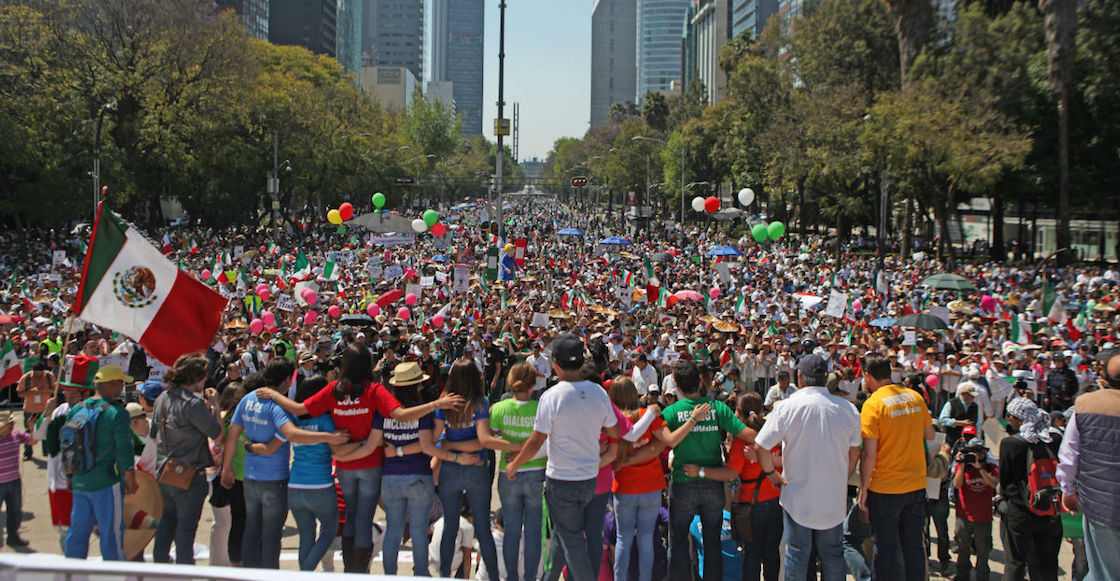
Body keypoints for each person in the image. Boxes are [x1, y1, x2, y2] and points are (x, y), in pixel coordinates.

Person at [256, 343, 464, 572]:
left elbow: (298, 410)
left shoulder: (334, 389)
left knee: (353, 516)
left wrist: (274, 394)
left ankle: (351, 569)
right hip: (371, 463)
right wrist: (436, 404)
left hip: (345, 463)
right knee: (364, 518)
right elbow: (401, 415)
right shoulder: (373, 390)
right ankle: (358, 571)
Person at [504, 333, 620, 581]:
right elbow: (614, 435)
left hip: (562, 482)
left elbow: (536, 440)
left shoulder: (551, 396)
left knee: (572, 540)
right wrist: (607, 456)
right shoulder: (599, 394)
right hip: (589, 481)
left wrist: (515, 463)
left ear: (555, 364)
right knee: (563, 536)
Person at [220, 358, 349, 569]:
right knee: (271, 534)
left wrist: (227, 468)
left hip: (250, 476)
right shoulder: (279, 407)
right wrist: (329, 437)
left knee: (251, 529)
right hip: (274, 478)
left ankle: (249, 575)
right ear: (288, 380)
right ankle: (272, 574)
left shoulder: (247, 398)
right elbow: (290, 434)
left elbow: (233, 436)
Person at [753, 354, 861, 581]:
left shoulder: (786, 407)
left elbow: (761, 447)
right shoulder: (848, 409)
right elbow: (854, 453)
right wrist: (842, 476)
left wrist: (772, 475)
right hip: (832, 498)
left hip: (797, 499)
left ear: (799, 378)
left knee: (797, 555)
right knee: (833, 555)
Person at [658, 359, 757, 581]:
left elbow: (661, 443)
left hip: (683, 483)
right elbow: (748, 435)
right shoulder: (718, 408)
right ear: (701, 380)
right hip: (713, 482)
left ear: (676, 384)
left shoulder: (672, 411)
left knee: (678, 541)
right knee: (713, 542)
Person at [683, 391, 784, 581]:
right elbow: (787, 459)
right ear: (762, 410)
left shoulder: (741, 441)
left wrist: (701, 471)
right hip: (775, 500)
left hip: (750, 505)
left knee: (751, 555)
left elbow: (731, 473)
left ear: (737, 412)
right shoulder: (774, 433)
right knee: (771, 553)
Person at [435, 359, 520, 579]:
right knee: (482, 529)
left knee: (450, 527)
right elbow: (483, 440)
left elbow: (435, 441)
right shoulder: (480, 403)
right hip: (476, 466)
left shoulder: (444, 404)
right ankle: (492, 577)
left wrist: (450, 446)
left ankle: (445, 575)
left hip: (451, 467)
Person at [859, 353, 935, 581]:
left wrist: (863, 490)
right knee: (914, 548)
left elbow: (869, 454)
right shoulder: (914, 397)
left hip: (885, 489)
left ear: (867, 376)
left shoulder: (872, 404)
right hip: (915, 485)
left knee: (885, 550)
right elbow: (929, 434)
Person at [149, 353, 223, 565]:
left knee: (166, 523)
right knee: (186, 531)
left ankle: (161, 569)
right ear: (195, 378)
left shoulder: (162, 399)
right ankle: (184, 572)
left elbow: (154, 436)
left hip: (165, 470)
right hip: (191, 474)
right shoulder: (192, 404)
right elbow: (216, 433)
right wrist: (215, 405)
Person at [64, 364, 138, 561]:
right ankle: (115, 574)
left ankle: (71, 573)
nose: (122, 386)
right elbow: (124, 448)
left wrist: (70, 475)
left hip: (80, 478)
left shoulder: (77, 409)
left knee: (77, 530)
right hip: (107, 482)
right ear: (112, 383)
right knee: (111, 533)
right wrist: (130, 476)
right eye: (121, 382)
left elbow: (67, 445)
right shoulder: (117, 412)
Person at [1058, 350, 1120, 580]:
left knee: (1103, 571)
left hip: (1098, 505)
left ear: (1104, 377)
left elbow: (1069, 455)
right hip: (1100, 504)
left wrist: (1068, 491)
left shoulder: (1085, 404)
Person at [487, 361, 545, 581]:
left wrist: (511, 446)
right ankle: (530, 577)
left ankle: (511, 577)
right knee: (533, 533)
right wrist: (524, 448)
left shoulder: (499, 408)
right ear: (533, 385)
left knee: (510, 532)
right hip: (536, 472)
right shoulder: (540, 409)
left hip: (508, 473)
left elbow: (489, 439)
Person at [608, 375, 668, 581]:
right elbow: (663, 443)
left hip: (623, 486)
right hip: (651, 485)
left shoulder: (611, 421)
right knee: (645, 539)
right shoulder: (647, 415)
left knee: (623, 539)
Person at [1000, 397, 1063, 581]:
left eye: (1010, 415)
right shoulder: (1055, 439)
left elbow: (1006, 481)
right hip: (1050, 509)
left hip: (1021, 511)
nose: (1008, 419)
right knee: (1048, 564)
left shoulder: (1010, 444)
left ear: (1019, 419)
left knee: (1016, 563)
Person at [285, 375, 339, 571]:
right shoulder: (326, 420)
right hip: (320, 485)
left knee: (306, 538)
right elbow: (337, 449)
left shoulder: (294, 419)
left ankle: (304, 573)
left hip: (295, 485)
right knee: (329, 530)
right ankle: (305, 573)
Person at [952, 436, 999, 581]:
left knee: (983, 550)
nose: (975, 456)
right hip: (964, 515)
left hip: (983, 516)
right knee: (963, 547)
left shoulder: (991, 467)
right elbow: (957, 485)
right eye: (973, 453)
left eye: (979, 453)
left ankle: (982, 576)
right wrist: (963, 465)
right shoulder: (964, 466)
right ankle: (963, 575)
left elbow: (993, 484)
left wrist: (980, 468)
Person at [0, 411, 30, 547]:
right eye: (8, 425)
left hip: (14, 481)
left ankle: (13, 537)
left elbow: (33, 440)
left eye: (11, 424)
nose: (11, 426)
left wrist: (33, 428)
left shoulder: (16, 435)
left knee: (15, 511)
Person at [16, 359, 54, 459]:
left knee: (46, 429)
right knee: (29, 430)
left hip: (44, 409)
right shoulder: (26, 378)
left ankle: (47, 452)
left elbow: (55, 389)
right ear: (33, 370)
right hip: (30, 409)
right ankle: (27, 453)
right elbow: (19, 393)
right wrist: (30, 392)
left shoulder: (49, 377)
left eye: (41, 373)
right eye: (37, 373)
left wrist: (47, 390)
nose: (39, 375)